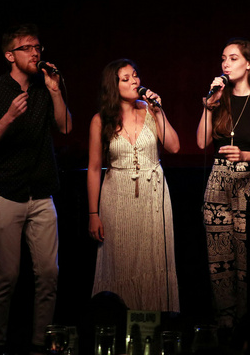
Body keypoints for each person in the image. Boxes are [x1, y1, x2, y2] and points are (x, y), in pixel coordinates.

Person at [0, 23, 72, 355]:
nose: (36, 53)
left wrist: (55, 91)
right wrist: (8, 118)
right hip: (4, 192)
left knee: (48, 273)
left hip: (41, 192)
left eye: (38, 47)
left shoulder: (45, 87)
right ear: (9, 55)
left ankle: (40, 343)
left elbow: (66, 127)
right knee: (7, 277)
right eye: (27, 48)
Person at [196, 38, 250, 331]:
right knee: (220, 260)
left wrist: (244, 154)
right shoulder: (220, 98)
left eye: (232, 58)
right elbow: (201, 142)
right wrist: (209, 107)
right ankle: (225, 321)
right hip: (219, 182)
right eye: (223, 59)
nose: (225, 64)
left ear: (249, 64)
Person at [87, 58, 180, 314]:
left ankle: (157, 325)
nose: (134, 82)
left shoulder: (150, 111)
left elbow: (174, 147)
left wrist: (159, 112)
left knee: (153, 263)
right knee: (122, 264)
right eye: (125, 78)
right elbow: (94, 168)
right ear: (113, 85)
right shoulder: (100, 120)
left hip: (153, 196)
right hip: (117, 197)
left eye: (135, 76)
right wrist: (93, 214)